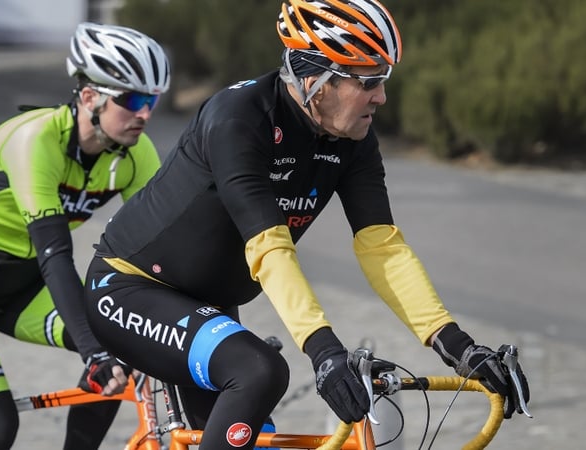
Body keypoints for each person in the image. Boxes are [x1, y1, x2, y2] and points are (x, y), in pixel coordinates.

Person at [83, 1, 530, 448]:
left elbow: (382, 248)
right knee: (259, 371)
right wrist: (324, 353)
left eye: (384, 79)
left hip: (209, 304)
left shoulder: (354, 137)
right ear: (316, 80)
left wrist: (458, 347)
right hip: (131, 287)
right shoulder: (239, 118)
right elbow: (270, 248)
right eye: (369, 80)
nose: (381, 97)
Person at [0, 22, 170, 450]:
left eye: (152, 100)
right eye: (133, 99)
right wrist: (92, 352)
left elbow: (168, 247)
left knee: (121, 343)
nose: (145, 114)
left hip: (20, 283)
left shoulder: (137, 153)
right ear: (88, 97)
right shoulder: (35, 140)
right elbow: (56, 256)